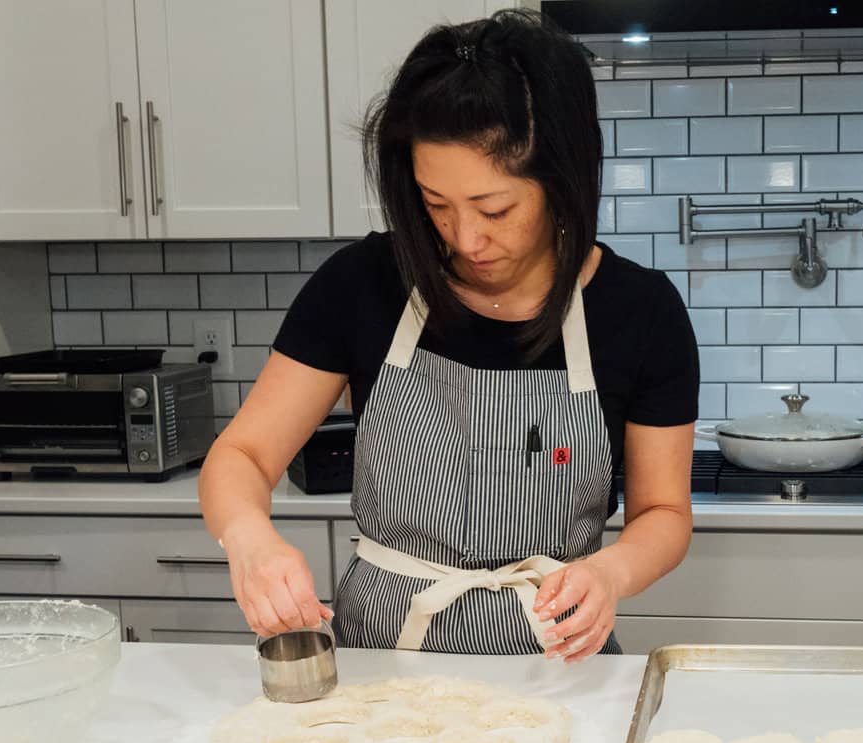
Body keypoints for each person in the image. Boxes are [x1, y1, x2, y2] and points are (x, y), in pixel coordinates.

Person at [198, 9, 698, 664]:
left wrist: (611, 573)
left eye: (496, 209)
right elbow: (242, 458)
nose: (465, 239)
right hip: (379, 665)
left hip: (555, 666)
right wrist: (250, 541)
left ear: (563, 181)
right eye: (436, 205)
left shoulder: (640, 311)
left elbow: (664, 513)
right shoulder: (361, 284)